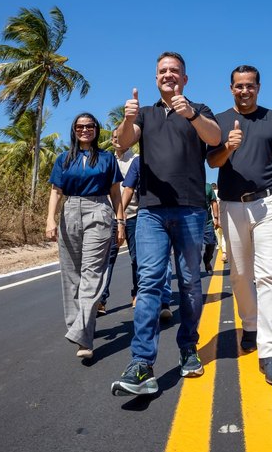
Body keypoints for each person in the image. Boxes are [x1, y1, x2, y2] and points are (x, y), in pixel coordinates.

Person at [110, 52, 221, 397]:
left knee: (189, 283)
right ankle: (142, 363)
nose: (168, 75)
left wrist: (190, 114)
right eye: (162, 71)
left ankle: (188, 347)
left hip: (190, 210)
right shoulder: (144, 113)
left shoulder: (199, 108)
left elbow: (215, 139)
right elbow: (123, 141)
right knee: (150, 286)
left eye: (175, 71)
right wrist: (127, 120)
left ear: (185, 79)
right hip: (152, 212)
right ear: (155, 77)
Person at [208, 64, 272, 387]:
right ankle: (250, 325)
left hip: (270, 202)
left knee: (270, 274)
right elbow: (212, 162)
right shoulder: (219, 121)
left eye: (250, 85)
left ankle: (270, 352)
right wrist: (228, 146)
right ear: (230, 88)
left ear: (258, 87)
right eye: (239, 86)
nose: (244, 90)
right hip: (232, 204)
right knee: (240, 273)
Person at [45, 113, 125, 359]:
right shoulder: (63, 158)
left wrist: (120, 222)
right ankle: (78, 326)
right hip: (70, 212)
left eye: (90, 126)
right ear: (74, 130)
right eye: (80, 127)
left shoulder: (106, 158)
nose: (85, 130)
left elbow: (115, 193)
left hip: (99, 211)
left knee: (92, 274)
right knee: (72, 275)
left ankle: (82, 335)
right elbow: (56, 191)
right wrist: (50, 219)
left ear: (96, 129)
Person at [120, 156, 174, 318]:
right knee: (145, 262)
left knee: (165, 260)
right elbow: (128, 188)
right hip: (146, 214)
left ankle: (164, 302)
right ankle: (148, 302)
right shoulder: (138, 162)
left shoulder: (171, 158)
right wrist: (120, 214)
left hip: (172, 212)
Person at [97, 130, 139, 314]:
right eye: (114, 137)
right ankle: (101, 299)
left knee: (137, 258)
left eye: (120, 136)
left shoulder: (137, 159)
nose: (116, 140)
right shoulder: (106, 159)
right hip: (111, 218)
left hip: (135, 215)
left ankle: (137, 293)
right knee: (108, 259)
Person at [202, 183, 220, 272]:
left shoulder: (208, 186)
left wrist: (216, 218)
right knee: (194, 248)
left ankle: (207, 260)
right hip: (192, 223)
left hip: (207, 222)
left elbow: (213, 202)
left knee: (211, 243)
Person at [211, 183, 227, 263]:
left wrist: (216, 218)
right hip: (222, 214)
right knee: (224, 235)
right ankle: (224, 252)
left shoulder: (213, 193)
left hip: (215, 216)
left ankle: (224, 251)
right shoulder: (221, 192)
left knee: (220, 235)